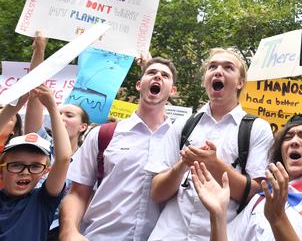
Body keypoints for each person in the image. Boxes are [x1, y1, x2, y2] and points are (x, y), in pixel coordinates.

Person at [147, 48, 273, 241]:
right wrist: (183, 164)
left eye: (228, 67)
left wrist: (214, 164)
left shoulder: (258, 129)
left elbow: (256, 193)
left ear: (240, 83)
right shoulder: (183, 124)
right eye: (212, 67)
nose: (218, 71)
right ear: (205, 79)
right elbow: (157, 192)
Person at [59, 57, 178, 241]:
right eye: (151, 73)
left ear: (173, 91)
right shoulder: (103, 134)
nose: (157, 77)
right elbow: (77, 192)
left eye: (165, 75)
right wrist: (69, 232)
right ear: (139, 85)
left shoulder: (181, 141)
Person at [0, 84, 71, 240]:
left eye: (35, 166)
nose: (25, 171)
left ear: (46, 171)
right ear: (1, 170)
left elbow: (64, 158)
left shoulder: (42, 200)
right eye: (16, 165)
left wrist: (53, 107)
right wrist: (13, 106)